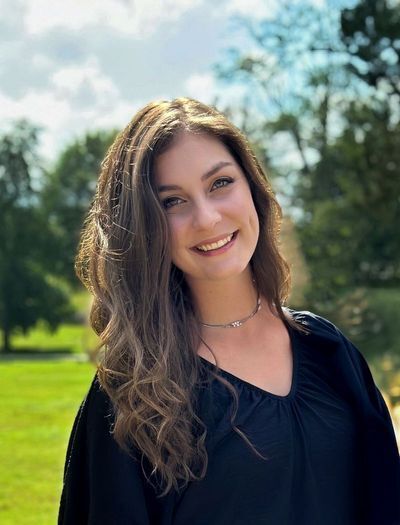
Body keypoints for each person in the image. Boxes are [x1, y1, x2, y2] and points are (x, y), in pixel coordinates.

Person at [58, 98, 400, 525]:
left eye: (220, 183)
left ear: (252, 187)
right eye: (172, 202)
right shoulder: (133, 395)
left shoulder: (329, 351)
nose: (206, 218)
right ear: (144, 227)